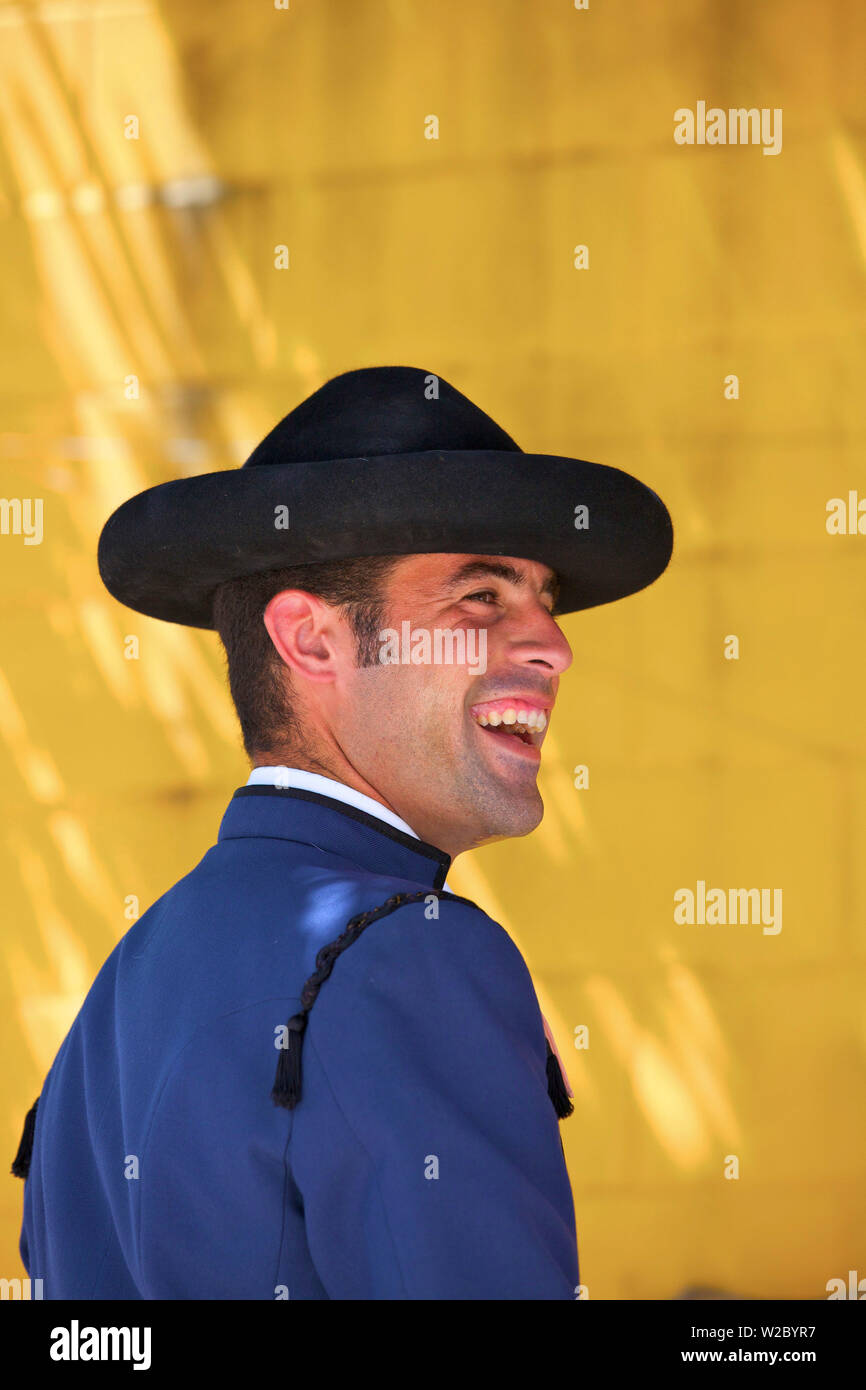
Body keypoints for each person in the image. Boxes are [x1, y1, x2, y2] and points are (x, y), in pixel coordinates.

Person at [13, 365, 673, 1299]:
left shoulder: (118, 991)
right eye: (481, 598)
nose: (553, 647)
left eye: (545, 600)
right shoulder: (409, 954)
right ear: (312, 642)